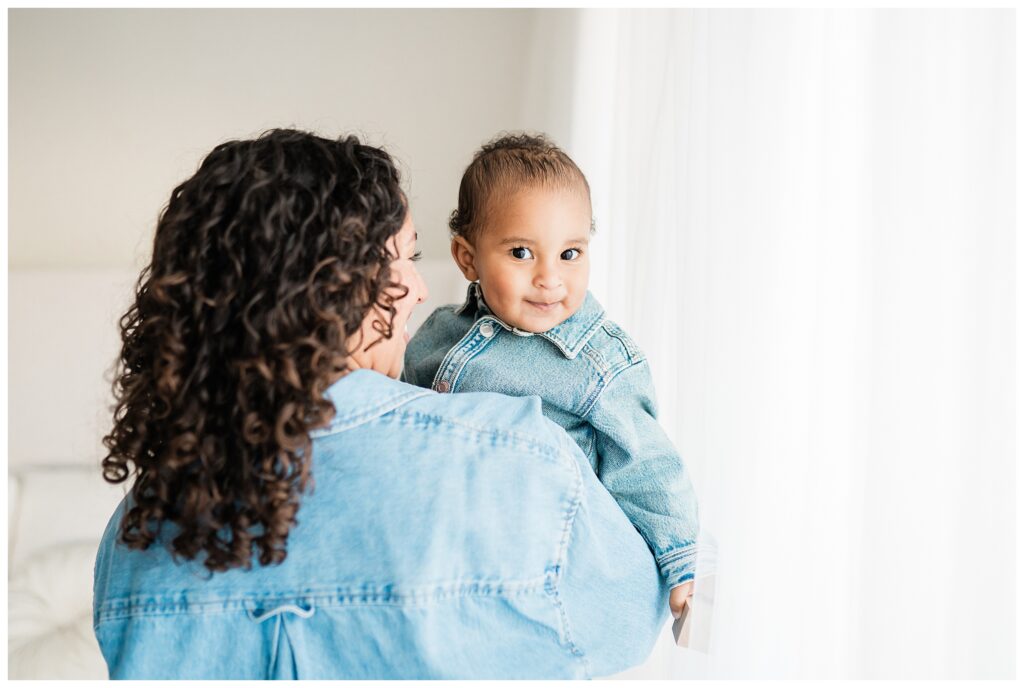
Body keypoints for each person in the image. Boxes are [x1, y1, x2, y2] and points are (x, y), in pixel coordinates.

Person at [92, 129, 669, 679]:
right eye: (406, 260)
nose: (419, 290)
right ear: (336, 285)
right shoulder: (519, 455)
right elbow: (632, 615)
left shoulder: (135, 532)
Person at [403, 133, 700, 620]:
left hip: (546, 559)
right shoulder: (437, 334)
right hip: (448, 546)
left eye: (570, 253)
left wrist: (681, 564)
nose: (550, 278)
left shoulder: (598, 361)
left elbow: (647, 465)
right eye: (522, 253)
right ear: (467, 258)